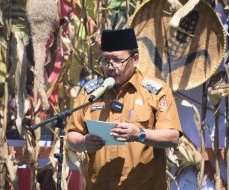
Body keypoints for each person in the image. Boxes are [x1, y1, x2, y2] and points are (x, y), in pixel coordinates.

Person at [65, 28, 182, 190]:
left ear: (135, 59)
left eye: (117, 60)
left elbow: (172, 137)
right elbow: (71, 135)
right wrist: (84, 142)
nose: (110, 67)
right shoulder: (90, 92)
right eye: (105, 60)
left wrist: (139, 134)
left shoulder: (156, 91)